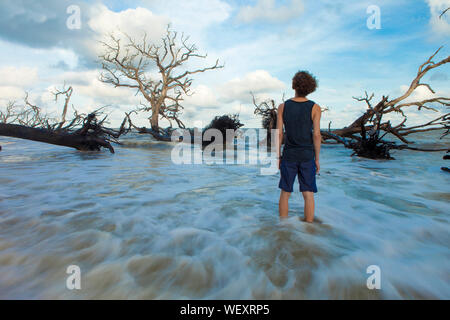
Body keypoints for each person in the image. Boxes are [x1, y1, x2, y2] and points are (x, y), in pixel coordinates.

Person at [277, 70, 322, 222]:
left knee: (285, 192)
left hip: (289, 155)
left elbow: (279, 134)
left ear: (294, 85)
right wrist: (317, 158)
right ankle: (309, 229)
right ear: (310, 88)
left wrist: (278, 156)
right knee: (308, 193)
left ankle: (283, 228)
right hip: (307, 156)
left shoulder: (283, 107)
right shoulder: (315, 107)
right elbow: (316, 135)